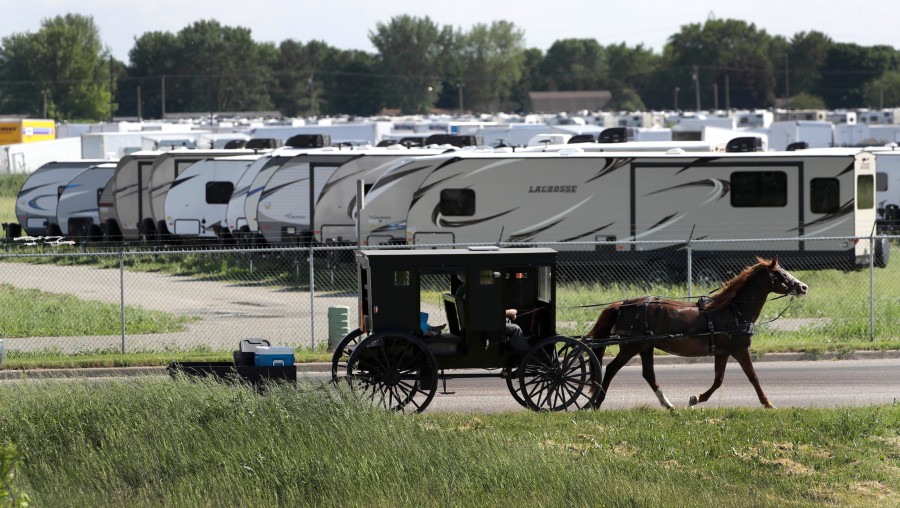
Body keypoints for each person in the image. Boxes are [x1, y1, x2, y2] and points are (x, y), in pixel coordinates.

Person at [454, 273, 525, 348]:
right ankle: (525, 355)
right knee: (516, 329)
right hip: (484, 331)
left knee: (508, 322)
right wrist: (508, 312)